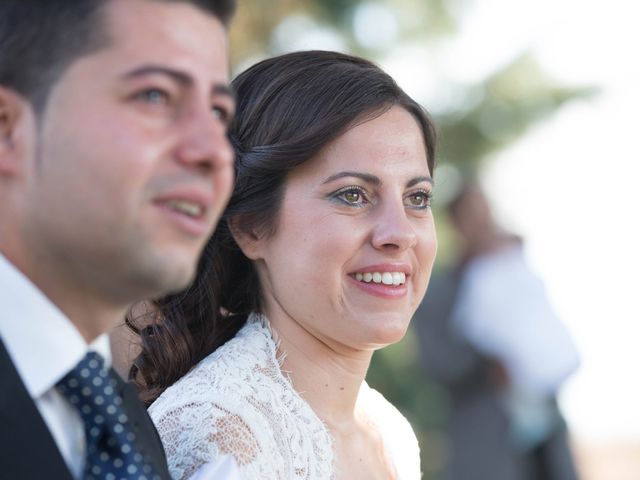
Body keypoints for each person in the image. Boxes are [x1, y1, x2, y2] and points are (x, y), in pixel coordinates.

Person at [127, 50, 438, 480]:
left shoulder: (390, 433)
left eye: (417, 198)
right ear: (250, 228)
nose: (399, 233)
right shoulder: (224, 439)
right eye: (352, 195)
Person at [0, 0, 236, 479]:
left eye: (217, 112)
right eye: (155, 96)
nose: (214, 151)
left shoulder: (121, 424)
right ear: (8, 130)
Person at [413, 180, 581, 480]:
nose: (483, 221)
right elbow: (437, 363)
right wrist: (488, 363)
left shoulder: (513, 268)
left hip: (547, 440)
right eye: (472, 214)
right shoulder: (438, 291)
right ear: (454, 223)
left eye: (485, 210)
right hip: (486, 446)